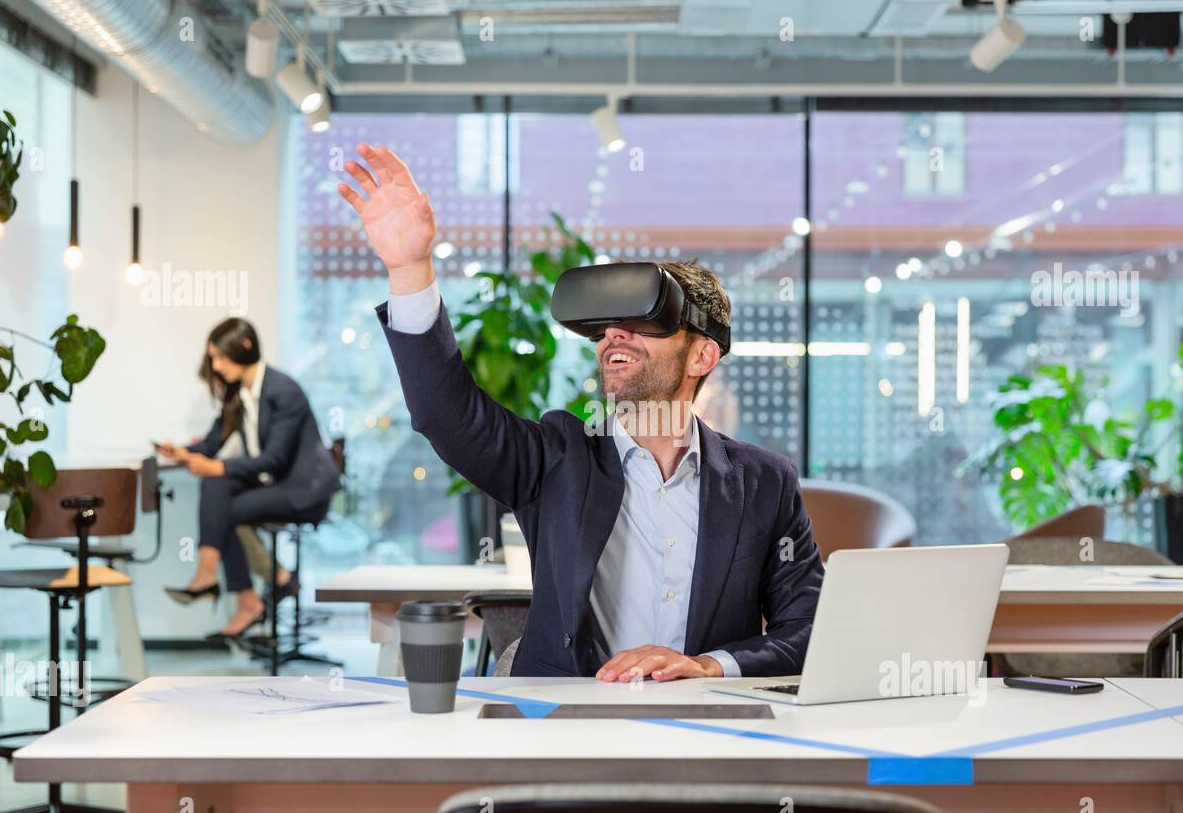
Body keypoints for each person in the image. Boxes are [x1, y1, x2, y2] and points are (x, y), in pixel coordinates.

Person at [338, 143, 824, 681]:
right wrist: (410, 268)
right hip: (569, 715)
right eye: (604, 325)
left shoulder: (764, 483)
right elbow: (444, 413)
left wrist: (708, 666)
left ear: (702, 354)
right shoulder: (556, 459)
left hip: (707, 725)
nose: (612, 335)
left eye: (642, 321)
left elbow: (807, 628)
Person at [157, 319, 342, 644]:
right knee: (216, 487)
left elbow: (275, 460)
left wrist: (215, 468)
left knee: (221, 495)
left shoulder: (284, 390)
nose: (216, 365)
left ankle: (237, 590)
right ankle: (241, 585)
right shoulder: (240, 393)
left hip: (303, 490)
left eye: (220, 357)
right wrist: (184, 451)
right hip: (275, 484)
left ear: (243, 347)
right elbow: (214, 440)